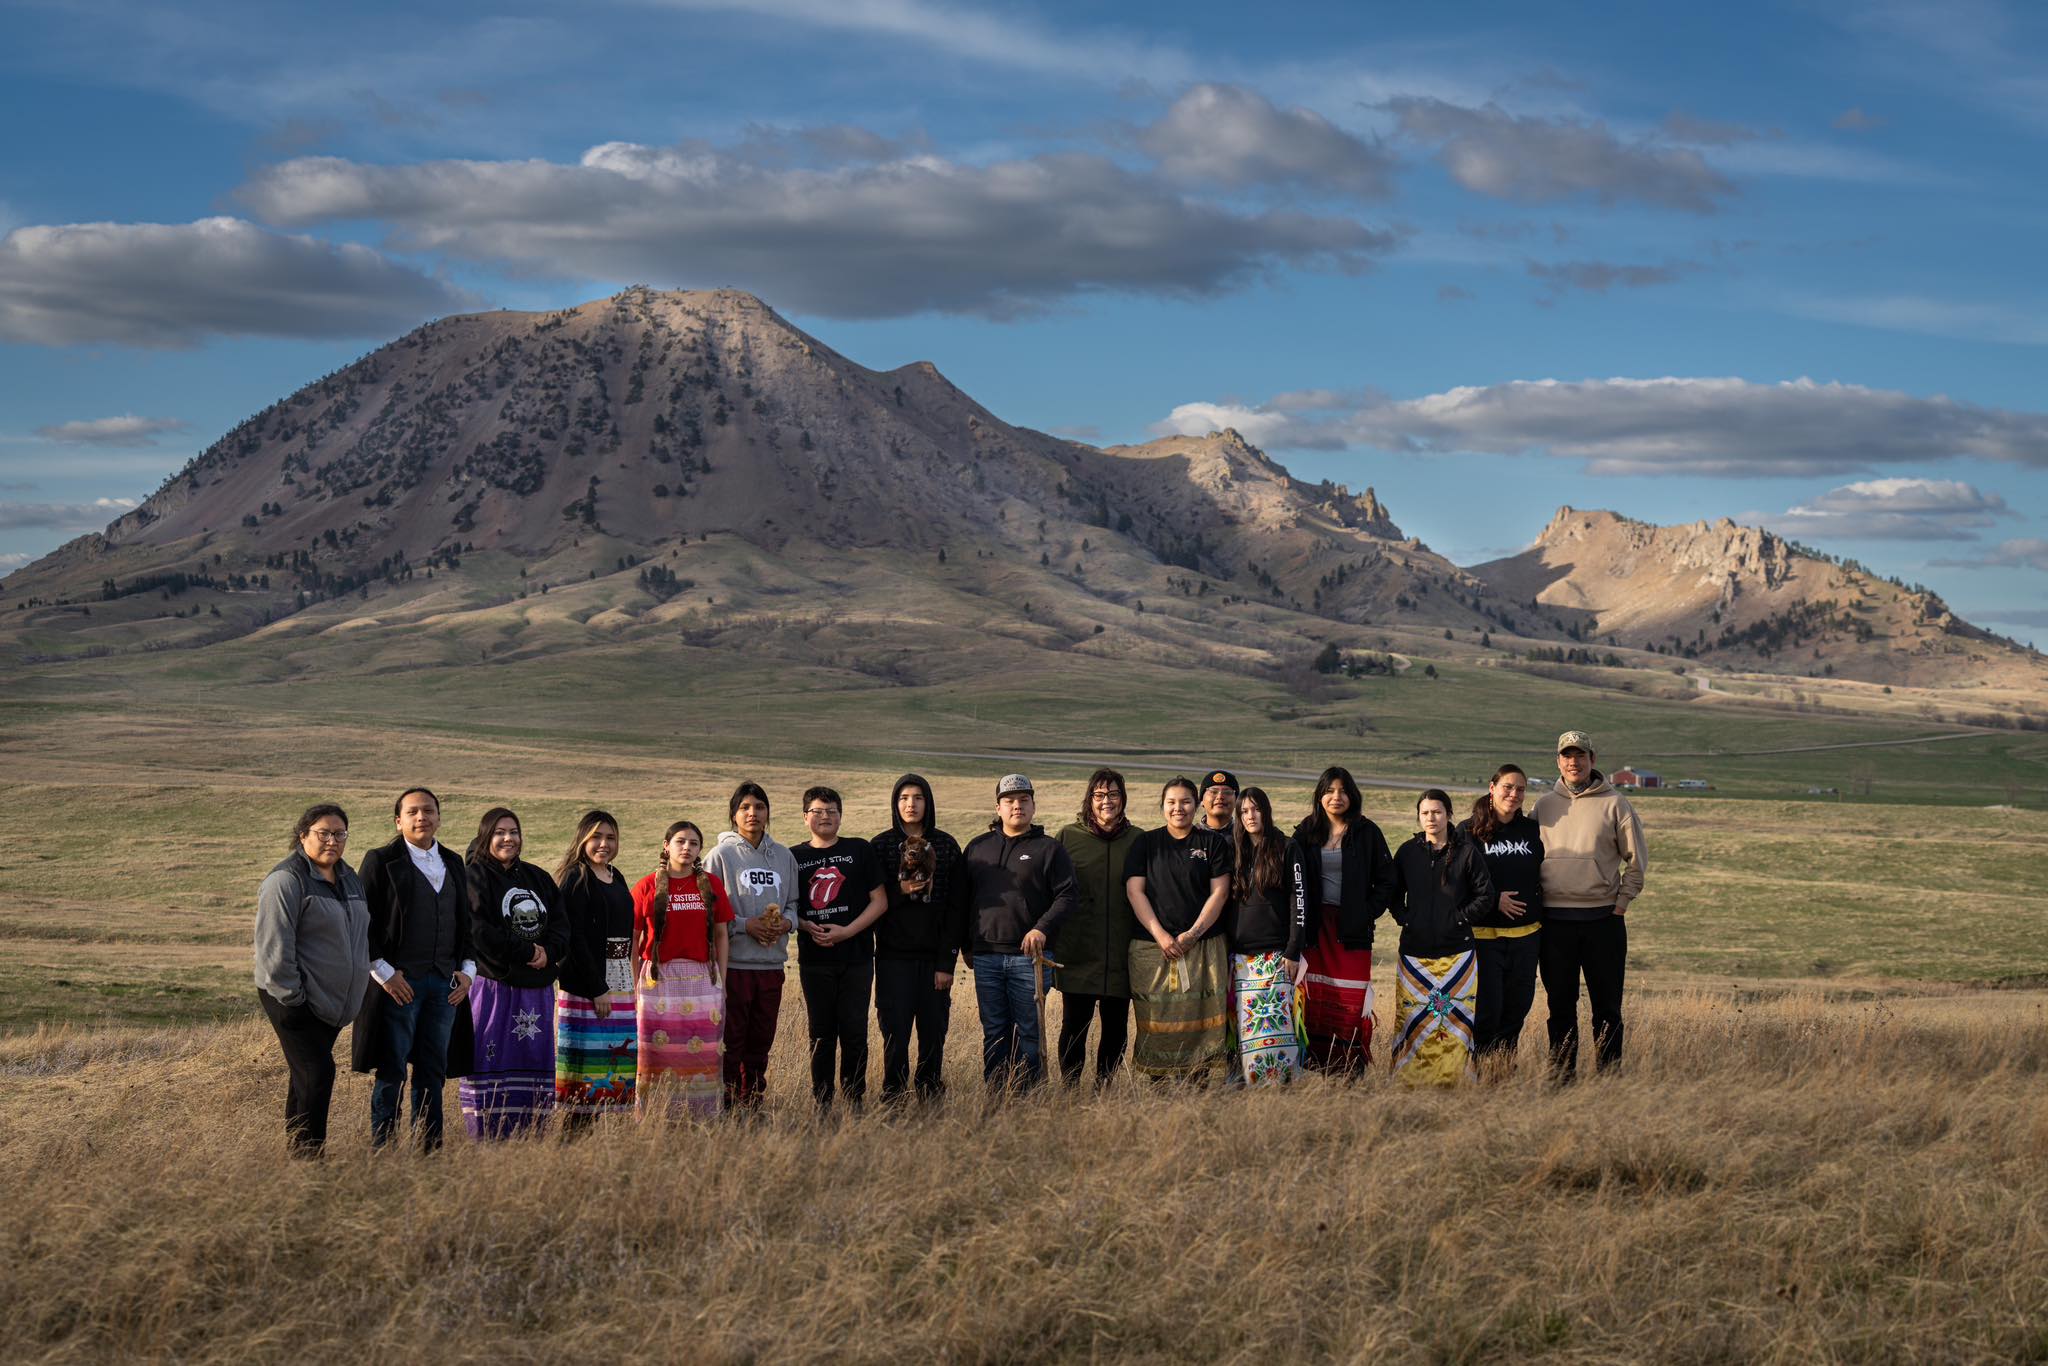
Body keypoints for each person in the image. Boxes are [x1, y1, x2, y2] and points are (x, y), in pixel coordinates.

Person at [351, 786, 474, 1151]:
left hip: (444, 986)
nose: (422, 817)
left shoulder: (453, 862)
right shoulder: (379, 860)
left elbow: (464, 924)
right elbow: (363, 923)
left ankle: (429, 1149)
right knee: (391, 1070)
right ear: (398, 820)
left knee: (432, 1071)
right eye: (413, 812)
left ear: (438, 817)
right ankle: (383, 1149)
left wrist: (468, 970)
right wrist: (385, 973)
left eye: (429, 811)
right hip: (397, 985)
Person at [253, 803, 369, 1155]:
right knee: (318, 1073)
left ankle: (298, 1152)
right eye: (323, 833)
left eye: (339, 834)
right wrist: (295, 999)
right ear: (303, 835)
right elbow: (275, 948)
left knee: (305, 1077)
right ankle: (310, 1157)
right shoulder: (286, 881)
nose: (332, 840)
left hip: (331, 1003)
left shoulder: (349, 878)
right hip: (294, 1001)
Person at [1535, 731, 1649, 1077]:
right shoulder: (1543, 806)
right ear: (1558, 761)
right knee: (1560, 1007)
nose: (1574, 762)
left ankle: (1609, 1076)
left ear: (1592, 760)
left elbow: (1637, 862)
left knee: (1607, 1008)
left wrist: (1621, 904)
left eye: (1580, 755)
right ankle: (1561, 1076)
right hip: (1554, 924)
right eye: (1567, 756)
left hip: (1603, 922)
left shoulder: (1616, 804)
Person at [961, 774, 1078, 1093]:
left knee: (1029, 1031)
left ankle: (1031, 1098)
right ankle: (998, 1096)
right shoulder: (977, 848)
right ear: (997, 807)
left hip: (1031, 958)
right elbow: (962, 900)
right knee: (995, 1031)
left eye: (1024, 800)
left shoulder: (1049, 849)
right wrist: (965, 945)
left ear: (1033, 805)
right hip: (986, 956)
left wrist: (1041, 928)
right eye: (1010, 801)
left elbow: (1067, 895)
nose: (1017, 806)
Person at [460, 806, 568, 1139]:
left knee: (533, 1057)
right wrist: (526, 951)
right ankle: (488, 1135)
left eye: (514, 832)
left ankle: (533, 1131)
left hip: (536, 989)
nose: (508, 838)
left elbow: (562, 926)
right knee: (489, 1056)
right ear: (485, 836)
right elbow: (478, 929)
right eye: (499, 832)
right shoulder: (474, 875)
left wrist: (548, 951)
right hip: (494, 985)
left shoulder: (538, 878)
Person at [1125, 776, 1233, 1084]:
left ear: (1196, 805)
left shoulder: (1211, 843)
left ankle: (1197, 1083)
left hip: (1202, 946)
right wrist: (1161, 935)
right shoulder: (1145, 843)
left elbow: (1220, 893)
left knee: (1199, 1017)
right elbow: (1135, 892)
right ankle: (1158, 1084)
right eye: (1171, 802)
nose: (1178, 808)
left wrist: (1192, 934)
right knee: (1157, 1017)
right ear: (1162, 806)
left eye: (1185, 802)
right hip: (1152, 947)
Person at [1290, 766, 1396, 1075]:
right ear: (1320, 796)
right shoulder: (1305, 832)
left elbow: (1387, 880)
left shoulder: (1367, 832)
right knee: (1314, 999)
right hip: (1313, 929)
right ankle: (1313, 1068)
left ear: (1352, 795)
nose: (1336, 797)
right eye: (1329, 791)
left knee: (1350, 1002)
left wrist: (1366, 911)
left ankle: (1349, 1070)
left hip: (1352, 929)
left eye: (1343, 791)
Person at [870, 774, 968, 1104]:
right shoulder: (881, 846)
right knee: (894, 1032)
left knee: (933, 1033)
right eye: (904, 798)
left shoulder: (946, 845)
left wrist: (946, 963)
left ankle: (929, 1093)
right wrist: (898, 892)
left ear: (928, 803)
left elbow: (956, 909)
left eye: (918, 797)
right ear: (895, 804)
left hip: (933, 959)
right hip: (892, 957)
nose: (911, 804)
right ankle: (893, 1096)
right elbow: (871, 901)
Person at [702, 782, 799, 1112]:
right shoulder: (720, 857)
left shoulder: (784, 856)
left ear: (768, 813)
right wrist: (746, 925)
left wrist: (786, 923)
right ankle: (726, 1104)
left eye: (759, 806)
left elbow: (794, 906)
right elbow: (709, 912)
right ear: (733, 815)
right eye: (745, 807)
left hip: (771, 965)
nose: (753, 813)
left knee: (761, 1040)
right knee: (731, 1041)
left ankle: (752, 1102)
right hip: (736, 965)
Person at [1389, 789, 1494, 1086]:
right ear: (1419, 817)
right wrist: (1405, 918)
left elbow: (1485, 895)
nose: (1431, 818)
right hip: (1414, 956)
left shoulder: (1466, 852)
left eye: (1437, 812)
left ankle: (1456, 1082)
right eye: (1425, 813)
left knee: (1454, 1023)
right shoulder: (1408, 852)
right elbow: (1392, 893)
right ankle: (1409, 1083)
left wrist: (1459, 918)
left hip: (1457, 957)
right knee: (1413, 1022)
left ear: (1449, 814)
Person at [792, 787, 888, 1111]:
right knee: (820, 1033)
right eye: (817, 811)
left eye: (832, 811)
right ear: (805, 817)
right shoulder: (793, 856)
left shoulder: (859, 850)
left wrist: (846, 932)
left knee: (854, 1031)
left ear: (841, 816)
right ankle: (822, 1102)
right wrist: (806, 925)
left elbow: (880, 901)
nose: (825, 817)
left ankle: (854, 1099)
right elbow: (788, 907)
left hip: (857, 958)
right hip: (815, 959)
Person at [632, 820, 734, 1119]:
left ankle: (700, 1117)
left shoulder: (712, 885)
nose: (687, 848)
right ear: (666, 846)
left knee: (701, 1052)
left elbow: (722, 935)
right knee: (656, 1052)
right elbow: (632, 939)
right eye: (680, 841)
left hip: (702, 980)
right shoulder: (646, 885)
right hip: (657, 980)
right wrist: (635, 984)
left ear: (700, 849)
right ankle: (654, 1116)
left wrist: (722, 981)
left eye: (693, 843)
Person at [1053, 769, 1140, 1089]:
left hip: (1121, 950)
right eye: (1100, 795)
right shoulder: (1067, 837)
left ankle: (1105, 1087)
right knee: (1074, 1025)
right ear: (1089, 799)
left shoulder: (1137, 840)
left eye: (1113, 794)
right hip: (1078, 949)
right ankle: (1070, 1087)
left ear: (1123, 799)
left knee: (1116, 1027)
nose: (1107, 802)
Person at [553, 809, 636, 1125]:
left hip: (619, 983)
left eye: (611, 837)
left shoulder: (616, 875)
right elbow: (573, 939)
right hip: (588, 986)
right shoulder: (576, 877)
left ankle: (587, 1140)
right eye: (597, 837)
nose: (604, 843)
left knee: (609, 1068)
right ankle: (572, 1138)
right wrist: (597, 988)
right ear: (583, 839)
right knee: (585, 1073)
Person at [1461, 766, 1544, 1070]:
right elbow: (1456, 883)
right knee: (1487, 1012)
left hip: (1526, 936)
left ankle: (1504, 1071)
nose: (1514, 794)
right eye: (1508, 787)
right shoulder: (1467, 831)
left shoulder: (1532, 831)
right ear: (1492, 787)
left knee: (1517, 1009)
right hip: (1485, 938)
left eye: (1521, 789)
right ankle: (1480, 1070)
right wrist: (1494, 900)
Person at [1229, 787, 1309, 1086]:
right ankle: (1248, 1086)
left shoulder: (1287, 848)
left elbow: (1299, 899)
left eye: (1256, 809)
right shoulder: (1234, 849)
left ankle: (1282, 1087)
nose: (1250, 816)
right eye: (1244, 811)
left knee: (1280, 1028)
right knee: (1247, 1031)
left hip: (1278, 956)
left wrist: (1293, 948)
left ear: (1266, 811)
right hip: (1241, 958)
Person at [1199, 769, 1239, 835]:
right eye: (1213, 792)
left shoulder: (1244, 836)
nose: (1220, 797)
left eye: (1227, 792)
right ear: (1201, 801)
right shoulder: (1191, 837)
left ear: (1236, 801)